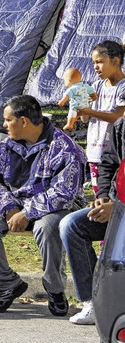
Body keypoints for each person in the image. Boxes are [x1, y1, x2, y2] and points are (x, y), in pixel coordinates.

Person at [0, 95, 86, 315]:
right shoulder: (7, 146)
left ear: (23, 121)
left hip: (56, 208)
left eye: (7, 120)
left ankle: (55, 289)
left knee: (48, 227)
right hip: (15, 206)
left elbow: (64, 193)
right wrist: (9, 207)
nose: (4, 125)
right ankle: (6, 285)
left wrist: (26, 212)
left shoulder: (63, 147)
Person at [60, 115, 125, 325]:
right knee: (72, 225)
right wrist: (103, 197)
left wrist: (117, 208)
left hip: (119, 209)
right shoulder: (121, 126)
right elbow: (108, 164)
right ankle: (93, 302)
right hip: (116, 206)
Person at [77, 41, 125, 195]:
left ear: (115, 61)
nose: (95, 67)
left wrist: (90, 111)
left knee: (116, 195)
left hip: (115, 154)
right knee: (100, 193)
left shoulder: (123, 87)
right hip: (94, 152)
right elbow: (85, 119)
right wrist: (81, 107)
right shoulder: (96, 86)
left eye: (99, 62)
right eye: (93, 63)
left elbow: (118, 117)